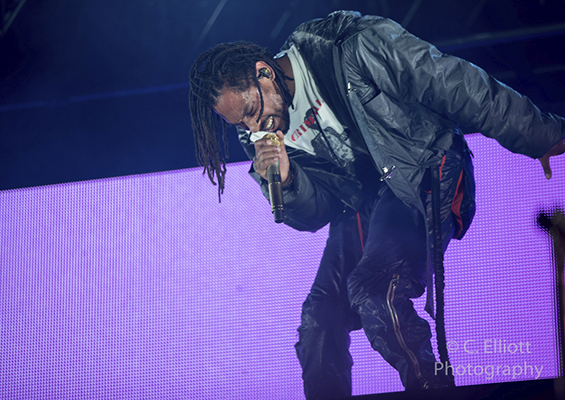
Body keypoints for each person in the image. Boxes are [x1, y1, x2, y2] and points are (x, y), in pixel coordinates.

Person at [189, 10, 565, 399]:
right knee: (318, 321)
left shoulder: (349, 47)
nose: (254, 129)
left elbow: (451, 82)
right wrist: (287, 180)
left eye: (252, 113)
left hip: (422, 171)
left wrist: (538, 134)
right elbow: (317, 213)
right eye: (241, 125)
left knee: (376, 290)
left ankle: (432, 388)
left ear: (265, 73)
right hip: (365, 203)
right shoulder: (261, 137)